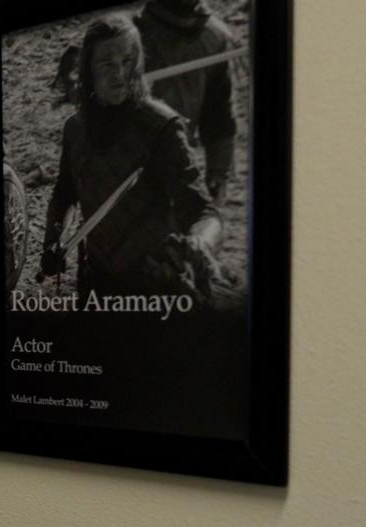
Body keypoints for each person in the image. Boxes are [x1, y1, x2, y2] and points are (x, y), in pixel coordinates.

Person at [39, 14, 224, 301]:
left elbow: (204, 212)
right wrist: (52, 242)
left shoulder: (161, 126)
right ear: (88, 69)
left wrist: (200, 242)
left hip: (156, 286)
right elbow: (64, 194)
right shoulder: (75, 129)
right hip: (97, 283)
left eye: (127, 61)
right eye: (107, 64)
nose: (120, 74)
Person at [135, 0, 238, 204]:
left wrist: (218, 168)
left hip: (178, 160)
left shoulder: (214, 37)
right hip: (128, 161)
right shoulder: (131, 34)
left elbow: (218, 112)